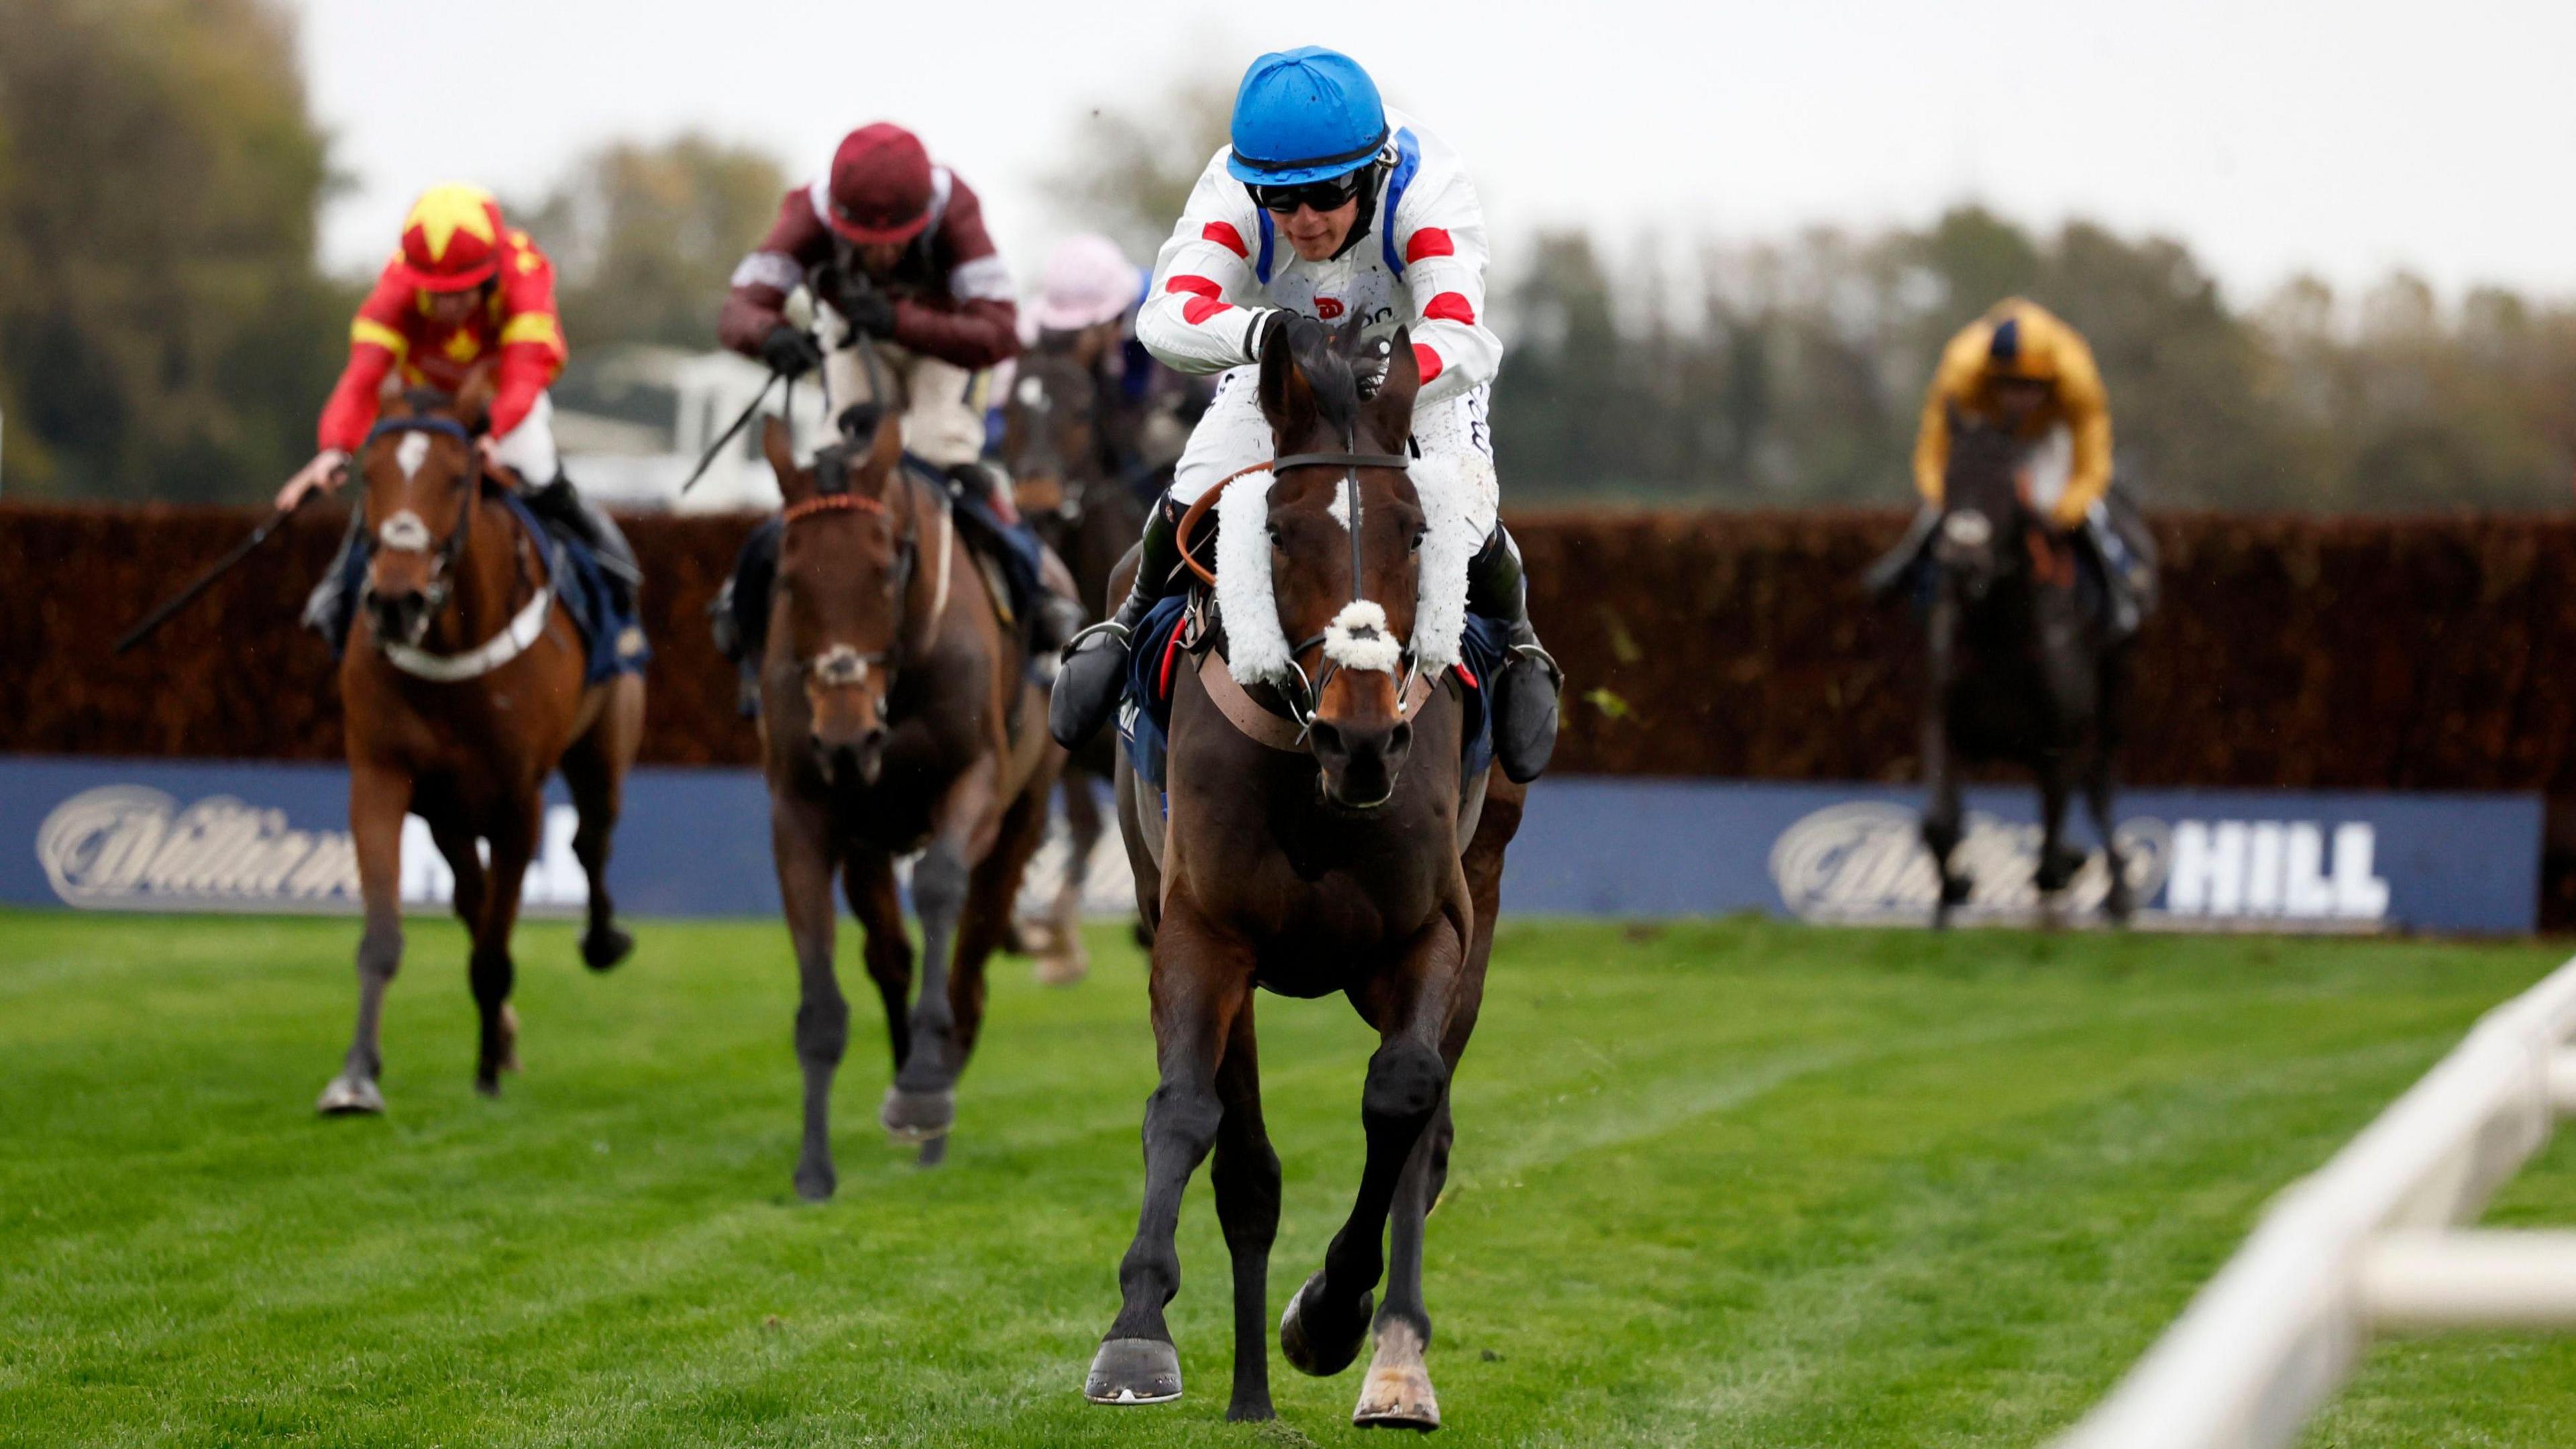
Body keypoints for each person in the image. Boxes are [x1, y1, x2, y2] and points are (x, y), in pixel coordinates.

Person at [1045, 45, 1560, 783]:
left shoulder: (1429, 190)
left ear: (1373, 172)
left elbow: (1464, 336)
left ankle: (1517, 641)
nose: (1304, 220)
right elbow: (1165, 317)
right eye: (1281, 202)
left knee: (1465, 504)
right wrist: (1268, 338)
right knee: (1197, 485)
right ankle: (1128, 625)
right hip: (1288, 365)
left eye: (1326, 195)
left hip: (1421, 374)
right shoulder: (1230, 186)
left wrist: (1379, 375)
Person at [716, 121, 1080, 653]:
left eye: (897, 243)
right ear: (835, 217)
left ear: (927, 217)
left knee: (938, 447)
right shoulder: (806, 211)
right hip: (853, 334)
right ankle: (743, 594)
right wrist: (770, 337)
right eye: (864, 243)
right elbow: (739, 308)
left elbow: (1001, 332)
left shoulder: (956, 206)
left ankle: (1038, 587)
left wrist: (898, 320)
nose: (883, 257)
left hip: (946, 338)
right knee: (838, 463)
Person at [282, 183, 637, 644]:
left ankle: (612, 573)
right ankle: (339, 594)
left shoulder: (524, 273)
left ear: (490, 274)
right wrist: (334, 448)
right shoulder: (395, 288)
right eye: (437, 294)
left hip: (502, 402)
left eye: (462, 293)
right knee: (393, 490)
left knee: (539, 474)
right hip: (426, 410)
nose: (449, 306)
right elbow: (363, 377)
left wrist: (495, 431)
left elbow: (527, 368)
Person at [1909, 297, 2153, 635]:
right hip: (1987, 434)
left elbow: (2093, 466)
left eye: (2031, 386)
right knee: (1943, 516)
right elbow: (1933, 453)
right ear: (1990, 376)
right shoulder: (1961, 368)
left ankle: (2123, 579)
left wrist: (2063, 513)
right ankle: (1907, 582)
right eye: (2007, 384)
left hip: (2047, 435)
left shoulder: (2076, 375)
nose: (2018, 397)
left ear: (2050, 381)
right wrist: (1945, 501)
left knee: (2081, 509)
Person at [1021, 233, 1210, 496]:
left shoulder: (1168, 310)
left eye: (1085, 329)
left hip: (1153, 423)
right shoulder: (1038, 327)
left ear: (1116, 315)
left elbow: (1221, 380)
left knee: (1161, 438)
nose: (1077, 344)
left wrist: (1199, 394)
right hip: (1094, 419)